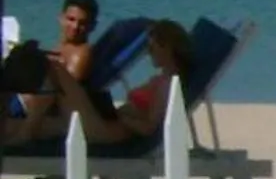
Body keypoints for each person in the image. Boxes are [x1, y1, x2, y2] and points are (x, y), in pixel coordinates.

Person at [0, 19, 184, 154]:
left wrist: (120, 115)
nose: (149, 52)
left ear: (168, 47)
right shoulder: (162, 79)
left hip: (107, 131)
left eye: (153, 48)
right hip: (105, 123)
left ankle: (25, 134)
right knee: (13, 126)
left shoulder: (169, 83)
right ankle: (25, 131)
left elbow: (149, 128)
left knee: (52, 68)